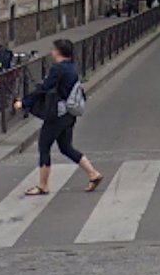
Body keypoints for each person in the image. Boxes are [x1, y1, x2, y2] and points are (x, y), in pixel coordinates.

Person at [13, 38, 103, 196]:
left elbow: (43, 88)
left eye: (54, 50)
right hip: (69, 114)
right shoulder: (72, 68)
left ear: (59, 52)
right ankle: (93, 174)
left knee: (44, 147)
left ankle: (43, 186)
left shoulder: (58, 69)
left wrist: (24, 103)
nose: (52, 52)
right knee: (66, 147)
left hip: (57, 115)